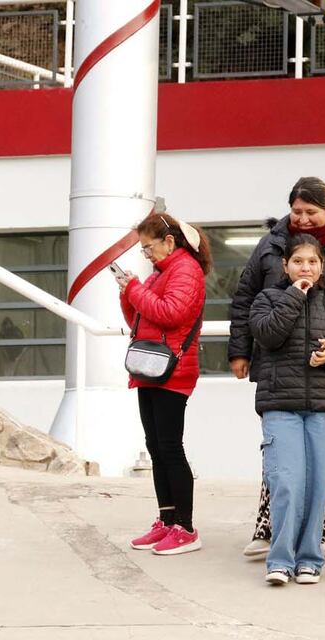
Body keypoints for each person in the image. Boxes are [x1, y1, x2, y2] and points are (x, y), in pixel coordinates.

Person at [228, 177, 325, 559]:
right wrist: (240, 351)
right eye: (296, 210)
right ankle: (268, 528)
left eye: (311, 211)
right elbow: (244, 297)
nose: (302, 218)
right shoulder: (270, 244)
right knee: (280, 458)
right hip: (278, 364)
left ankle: (323, 531)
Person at [249, 234, 325, 585]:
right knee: (286, 481)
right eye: (298, 261)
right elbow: (269, 335)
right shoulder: (267, 299)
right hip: (280, 405)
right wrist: (295, 295)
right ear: (285, 266)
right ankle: (280, 560)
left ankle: (309, 559)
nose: (306, 267)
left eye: (312, 261)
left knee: (318, 485)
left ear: (322, 265)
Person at [118, 213, 212, 556]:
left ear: (169, 241)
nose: (147, 255)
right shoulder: (162, 273)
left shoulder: (186, 270)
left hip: (173, 370)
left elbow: (171, 313)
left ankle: (185, 527)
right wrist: (129, 294)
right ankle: (166, 519)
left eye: (149, 247)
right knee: (155, 446)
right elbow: (141, 318)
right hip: (150, 367)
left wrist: (135, 290)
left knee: (170, 446)